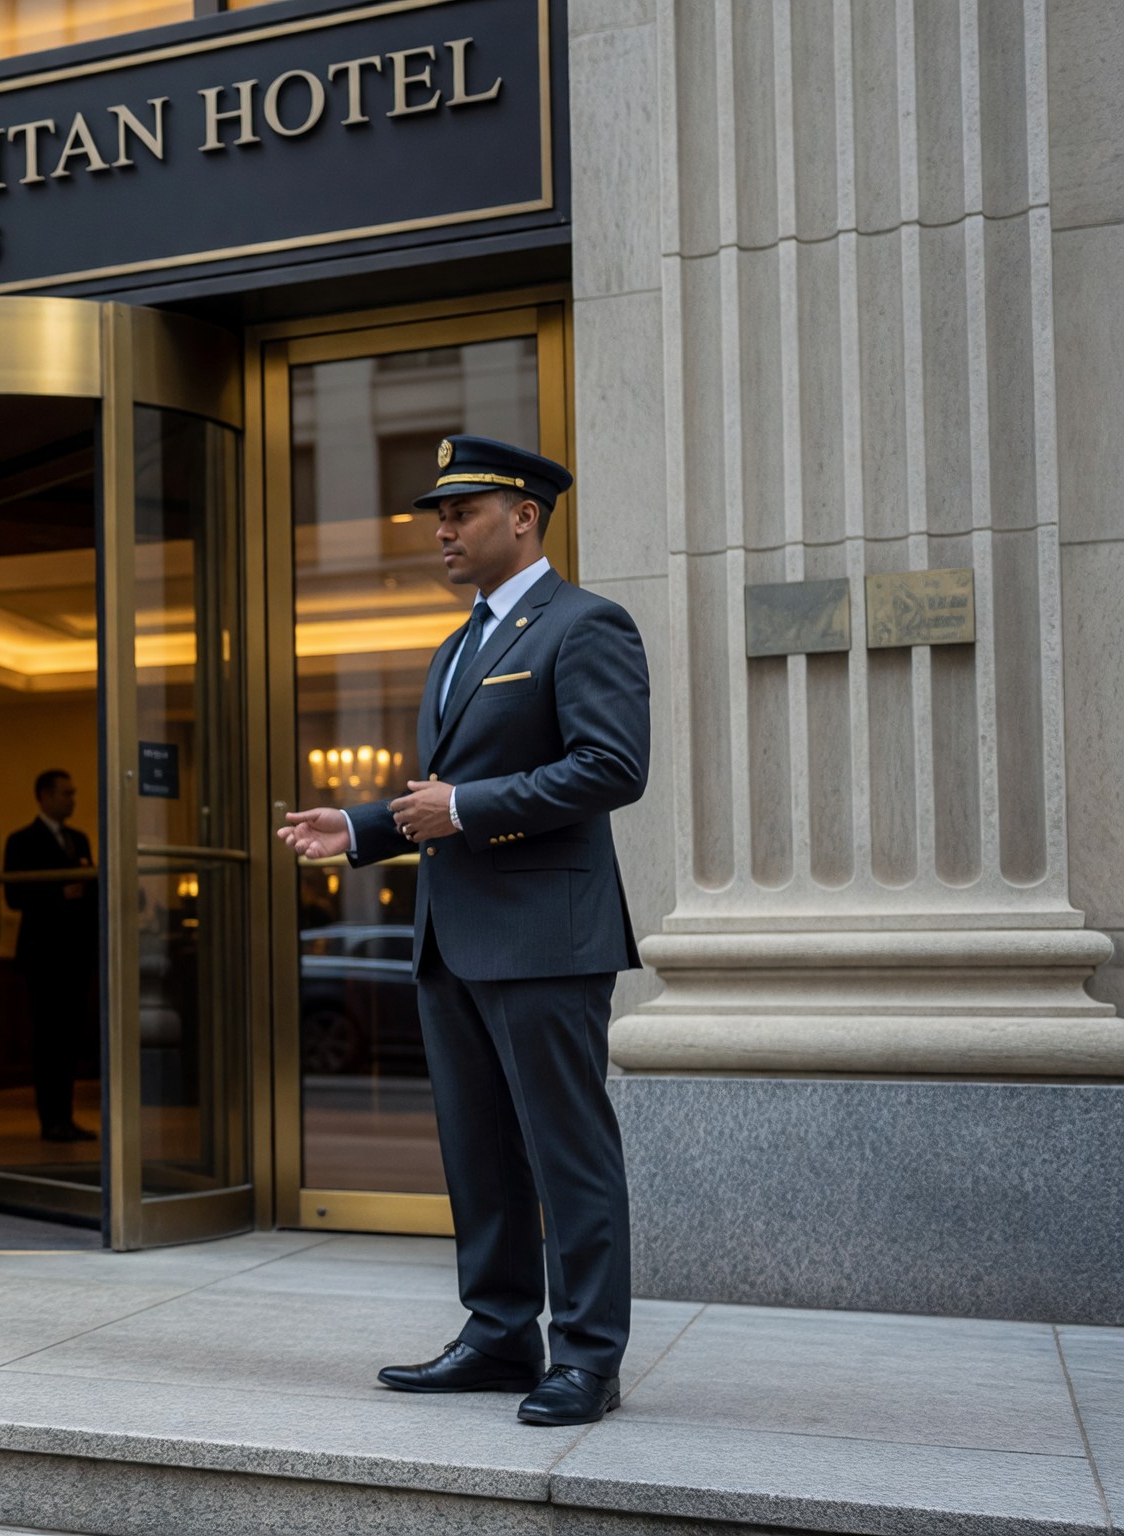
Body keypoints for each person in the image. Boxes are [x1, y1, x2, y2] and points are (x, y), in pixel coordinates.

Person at [275, 434, 649, 1428]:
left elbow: (612, 767)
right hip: (452, 939)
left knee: (565, 1154)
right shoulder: (458, 645)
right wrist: (354, 828)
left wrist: (468, 807)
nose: (440, 529)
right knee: (476, 1151)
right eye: (435, 515)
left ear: (522, 516)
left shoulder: (582, 625)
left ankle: (584, 1358)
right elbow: (437, 799)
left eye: (460, 512)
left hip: (545, 941)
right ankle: (494, 1334)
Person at [3, 769, 97, 1142]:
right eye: (65, 794)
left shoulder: (79, 839)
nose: (72, 800)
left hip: (75, 954)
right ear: (43, 796)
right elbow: (14, 896)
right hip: (43, 955)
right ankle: (50, 1118)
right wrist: (60, 895)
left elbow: (89, 889)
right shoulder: (22, 841)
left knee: (70, 1039)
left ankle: (65, 1116)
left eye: (73, 793)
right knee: (48, 1039)